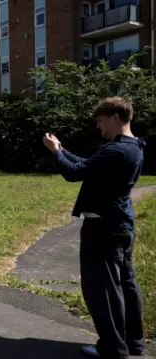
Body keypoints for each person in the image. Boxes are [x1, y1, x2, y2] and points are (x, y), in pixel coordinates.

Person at [42, 96, 146, 359]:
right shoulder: (131, 147)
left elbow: (74, 173)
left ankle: (113, 349)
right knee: (126, 285)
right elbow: (86, 165)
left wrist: (55, 152)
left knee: (103, 291)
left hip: (103, 230)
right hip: (120, 226)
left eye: (101, 121)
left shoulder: (116, 150)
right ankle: (134, 343)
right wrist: (63, 150)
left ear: (115, 117)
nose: (98, 127)